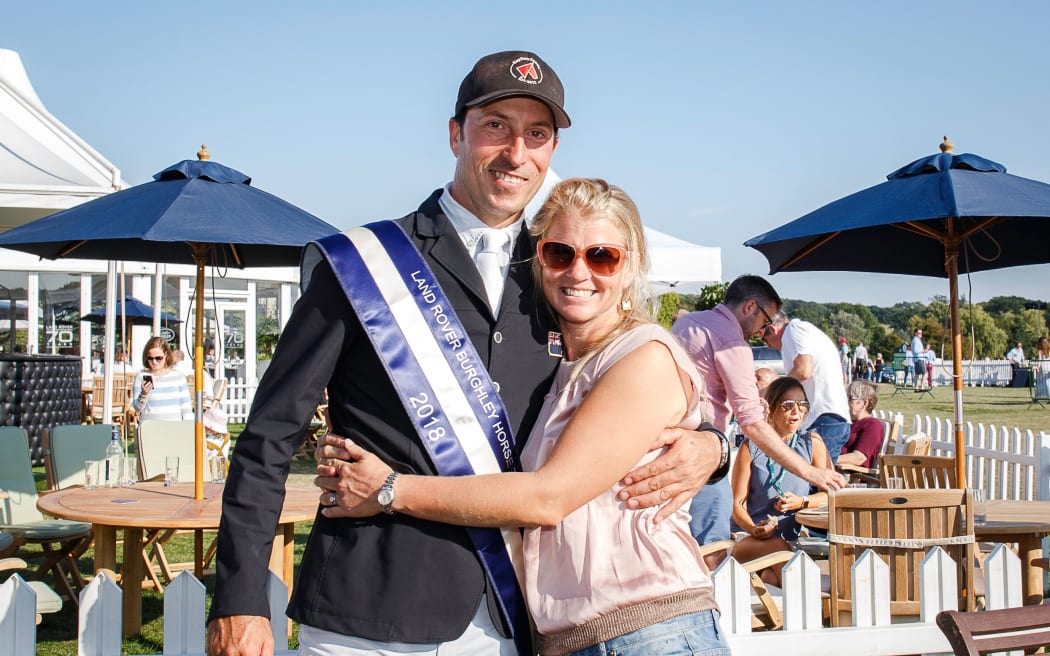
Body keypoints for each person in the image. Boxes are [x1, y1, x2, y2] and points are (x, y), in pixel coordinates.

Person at [207, 51, 723, 656]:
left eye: (537, 134)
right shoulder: (362, 266)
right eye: (496, 126)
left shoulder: (559, 267)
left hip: (507, 619)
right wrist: (239, 597)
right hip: (368, 611)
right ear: (456, 134)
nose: (516, 152)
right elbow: (269, 435)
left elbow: (623, 379)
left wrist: (712, 444)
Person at [317, 178, 730, 656]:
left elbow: (547, 498)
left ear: (631, 266)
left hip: (649, 633)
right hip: (571, 640)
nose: (579, 271)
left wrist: (390, 490)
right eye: (559, 253)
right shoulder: (558, 367)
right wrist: (714, 444)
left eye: (602, 256)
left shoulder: (644, 357)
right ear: (539, 261)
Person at [672, 276, 844, 554]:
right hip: (701, 453)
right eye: (766, 322)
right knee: (711, 553)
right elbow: (751, 423)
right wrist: (809, 471)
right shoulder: (732, 343)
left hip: (668, 445)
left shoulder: (686, 323)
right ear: (750, 306)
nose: (763, 331)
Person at [729, 376, 831, 582]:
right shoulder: (752, 447)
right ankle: (814, 604)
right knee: (779, 550)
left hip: (790, 540)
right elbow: (737, 503)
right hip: (748, 538)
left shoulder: (812, 444)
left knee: (772, 578)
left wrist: (802, 502)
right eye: (788, 405)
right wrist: (753, 529)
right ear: (773, 408)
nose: (797, 411)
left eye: (802, 405)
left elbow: (832, 495)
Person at [762, 312, 851, 464]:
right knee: (817, 480)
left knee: (815, 482)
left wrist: (772, 393)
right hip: (830, 417)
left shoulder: (794, 330)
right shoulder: (803, 331)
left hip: (823, 418)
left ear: (772, 328)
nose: (767, 345)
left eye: (764, 338)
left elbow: (803, 370)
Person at [131, 336, 192, 421]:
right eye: (150, 358)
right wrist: (144, 394)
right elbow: (137, 409)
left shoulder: (178, 377)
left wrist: (188, 428)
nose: (154, 362)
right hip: (149, 428)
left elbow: (186, 408)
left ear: (166, 355)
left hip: (174, 428)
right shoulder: (141, 377)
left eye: (158, 358)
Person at [837, 379, 883, 468]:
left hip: (847, 472)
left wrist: (826, 459)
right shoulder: (849, 423)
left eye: (850, 399)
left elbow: (859, 458)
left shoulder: (872, 425)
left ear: (864, 403)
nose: (845, 402)